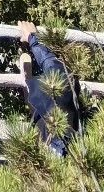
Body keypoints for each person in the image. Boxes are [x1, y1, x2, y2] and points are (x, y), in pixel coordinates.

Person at [17, 22, 79, 157]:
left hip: (57, 148)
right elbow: (51, 63)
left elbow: (52, 64)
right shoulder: (72, 84)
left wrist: (33, 39)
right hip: (63, 148)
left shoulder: (62, 78)